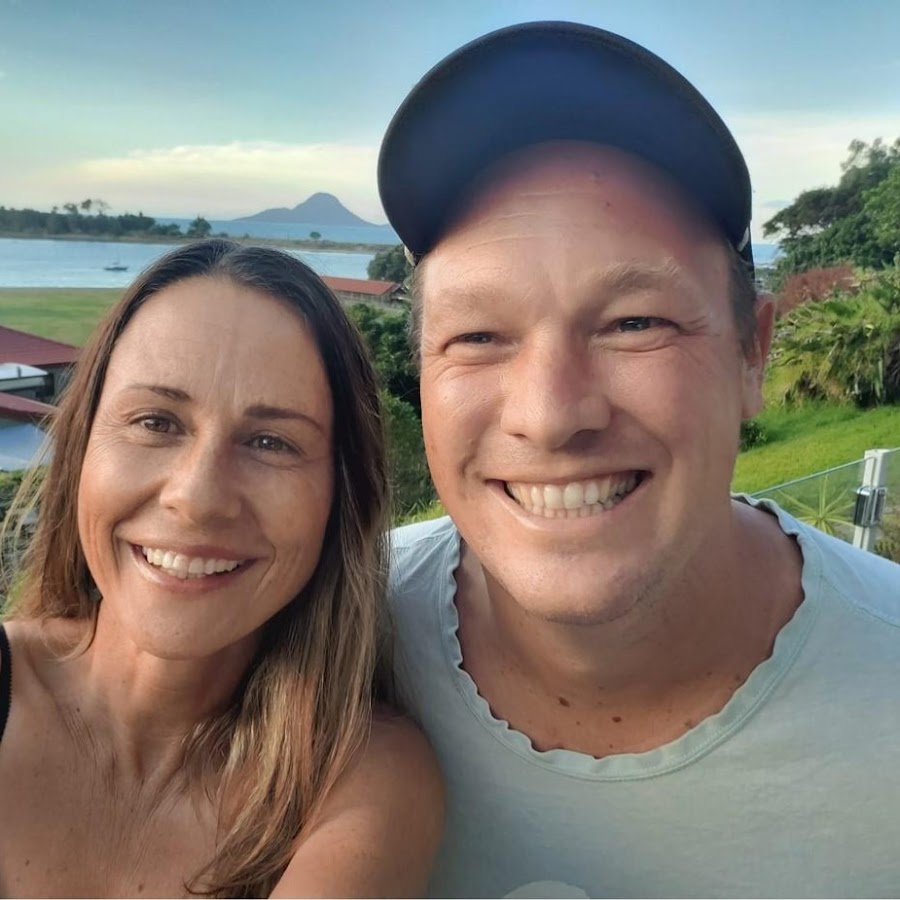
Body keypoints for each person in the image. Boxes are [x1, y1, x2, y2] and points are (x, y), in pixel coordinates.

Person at [378, 21, 900, 898]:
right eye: (477, 336)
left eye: (634, 323)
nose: (551, 415)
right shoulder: (320, 640)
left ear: (752, 354)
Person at [0, 239, 443, 898]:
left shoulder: (359, 781)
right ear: (82, 451)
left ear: (341, 496)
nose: (198, 496)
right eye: (156, 422)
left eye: (271, 442)